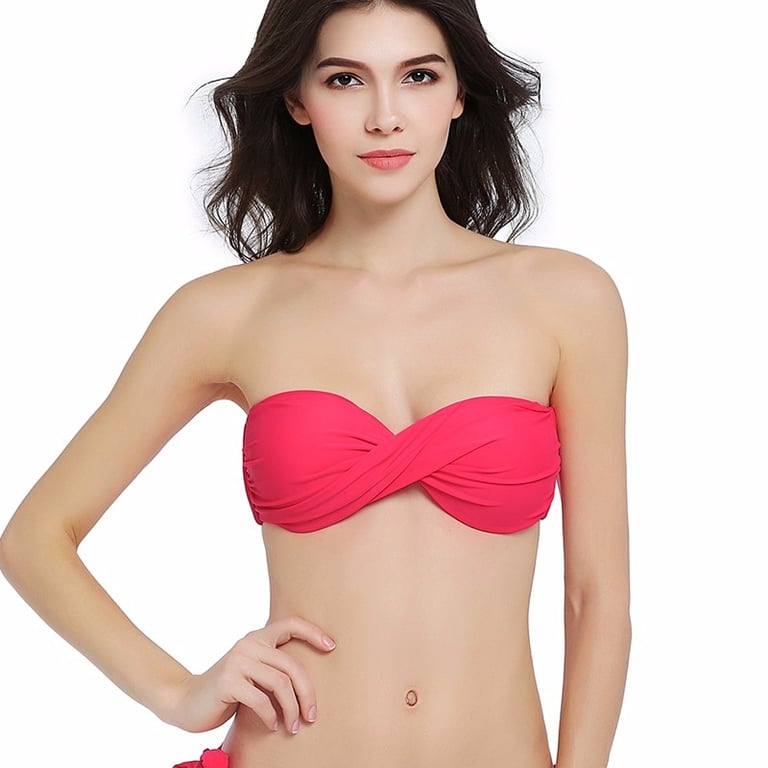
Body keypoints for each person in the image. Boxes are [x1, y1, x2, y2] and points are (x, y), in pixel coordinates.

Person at [0, 1, 631, 766]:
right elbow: (34, 539)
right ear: (297, 100)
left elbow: (595, 595)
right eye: (344, 80)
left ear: (460, 92)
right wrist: (176, 692)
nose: (385, 116)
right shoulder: (226, 313)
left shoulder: (566, 300)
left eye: (419, 76)